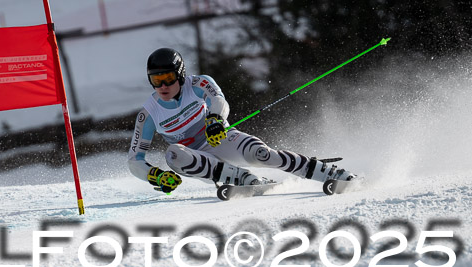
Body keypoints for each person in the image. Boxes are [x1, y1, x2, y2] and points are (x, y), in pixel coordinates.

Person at [128, 47, 356, 194]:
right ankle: (241, 178)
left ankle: (325, 172)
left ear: (180, 74)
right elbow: (134, 160)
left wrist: (215, 120)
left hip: (220, 139)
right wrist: (154, 175)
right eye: (156, 80)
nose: (163, 86)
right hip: (196, 161)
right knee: (173, 154)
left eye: (167, 78)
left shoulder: (198, 84)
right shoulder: (148, 113)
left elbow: (219, 100)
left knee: (263, 154)